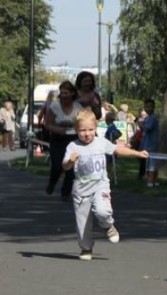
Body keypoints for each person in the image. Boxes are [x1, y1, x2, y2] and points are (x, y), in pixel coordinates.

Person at [62, 109, 149, 260]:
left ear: (96, 128)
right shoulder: (73, 147)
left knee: (102, 211)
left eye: (90, 129)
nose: (87, 134)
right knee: (83, 225)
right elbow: (65, 166)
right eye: (82, 130)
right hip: (81, 191)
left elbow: (118, 150)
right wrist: (70, 161)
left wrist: (137, 153)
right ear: (76, 130)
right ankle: (86, 248)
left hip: (100, 186)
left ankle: (108, 225)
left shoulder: (101, 142)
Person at [44, 81, 84, 201]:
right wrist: (58, 129)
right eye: (62, 93)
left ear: (72, 93)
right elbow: (47, 124)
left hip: (73, 138)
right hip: (58, 138)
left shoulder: (78, 107)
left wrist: (75, 125)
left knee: (71, 166)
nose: (64, 95)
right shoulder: (55, 106)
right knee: (57, 166)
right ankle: (52, 183)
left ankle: (66, 193)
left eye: (66, 93)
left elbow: (82, 123)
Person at [140, 99, 160, 187]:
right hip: (147, 144)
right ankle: (154, 180)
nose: (148, 109)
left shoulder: (153, 118)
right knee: (149, 162)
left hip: (152, 144)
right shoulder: (147, 118)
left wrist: (141, 125)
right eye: (147, 107)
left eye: (150, 107)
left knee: (152, 163)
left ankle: (151, 181)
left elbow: (148, 128)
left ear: (154, 108)